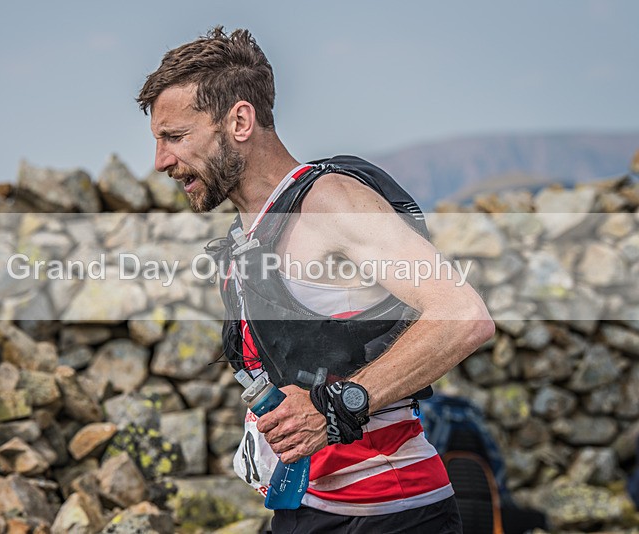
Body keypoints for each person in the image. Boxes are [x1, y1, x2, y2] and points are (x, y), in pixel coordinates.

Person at [137, 26, 495, 533]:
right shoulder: (249, 236)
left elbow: (463, 316)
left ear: (240, 120)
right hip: (308, 507)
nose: (160, 162)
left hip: (390, 511)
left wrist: (338, 403)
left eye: (175, 137)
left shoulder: (330, 203)